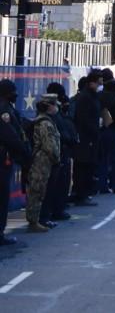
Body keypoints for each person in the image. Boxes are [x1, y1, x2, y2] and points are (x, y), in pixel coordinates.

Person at [0, 79, 32, 246]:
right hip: (3, 158)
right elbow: (11, 135)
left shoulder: (8, 108)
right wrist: (24, 151)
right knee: (2, 197)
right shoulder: (4, 110)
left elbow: (19, 124)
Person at [25, 96, 62, 233]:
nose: (56, 107)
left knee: (40, 190)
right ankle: (33, 221)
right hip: (42, 161)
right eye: (53, 105)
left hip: (43, 160)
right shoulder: (45, 123)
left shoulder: (44, 121)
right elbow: (50, 145)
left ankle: (37, 219)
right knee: (37, 190)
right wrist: (57, 158)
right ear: (48, 107)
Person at [43, 83, 78, 226]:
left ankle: (58, 208)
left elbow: (68, 124)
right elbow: (60, 132)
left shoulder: (61, 112)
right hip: (57, 152)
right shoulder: (50, 116)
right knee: (55, 184)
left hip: (63, 150)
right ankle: (53, 210)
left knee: (62, 181)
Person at [70, 75, 101, 206]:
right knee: (83, 166)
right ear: (90, 84)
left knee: (87, 166)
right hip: (85, 137)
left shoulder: (91, 96)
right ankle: (81, 194)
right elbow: (84, 119)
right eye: (97, 83)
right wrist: (93, 131)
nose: (99, 86)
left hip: (89, 136)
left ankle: (83, 193)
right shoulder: (85, 98)